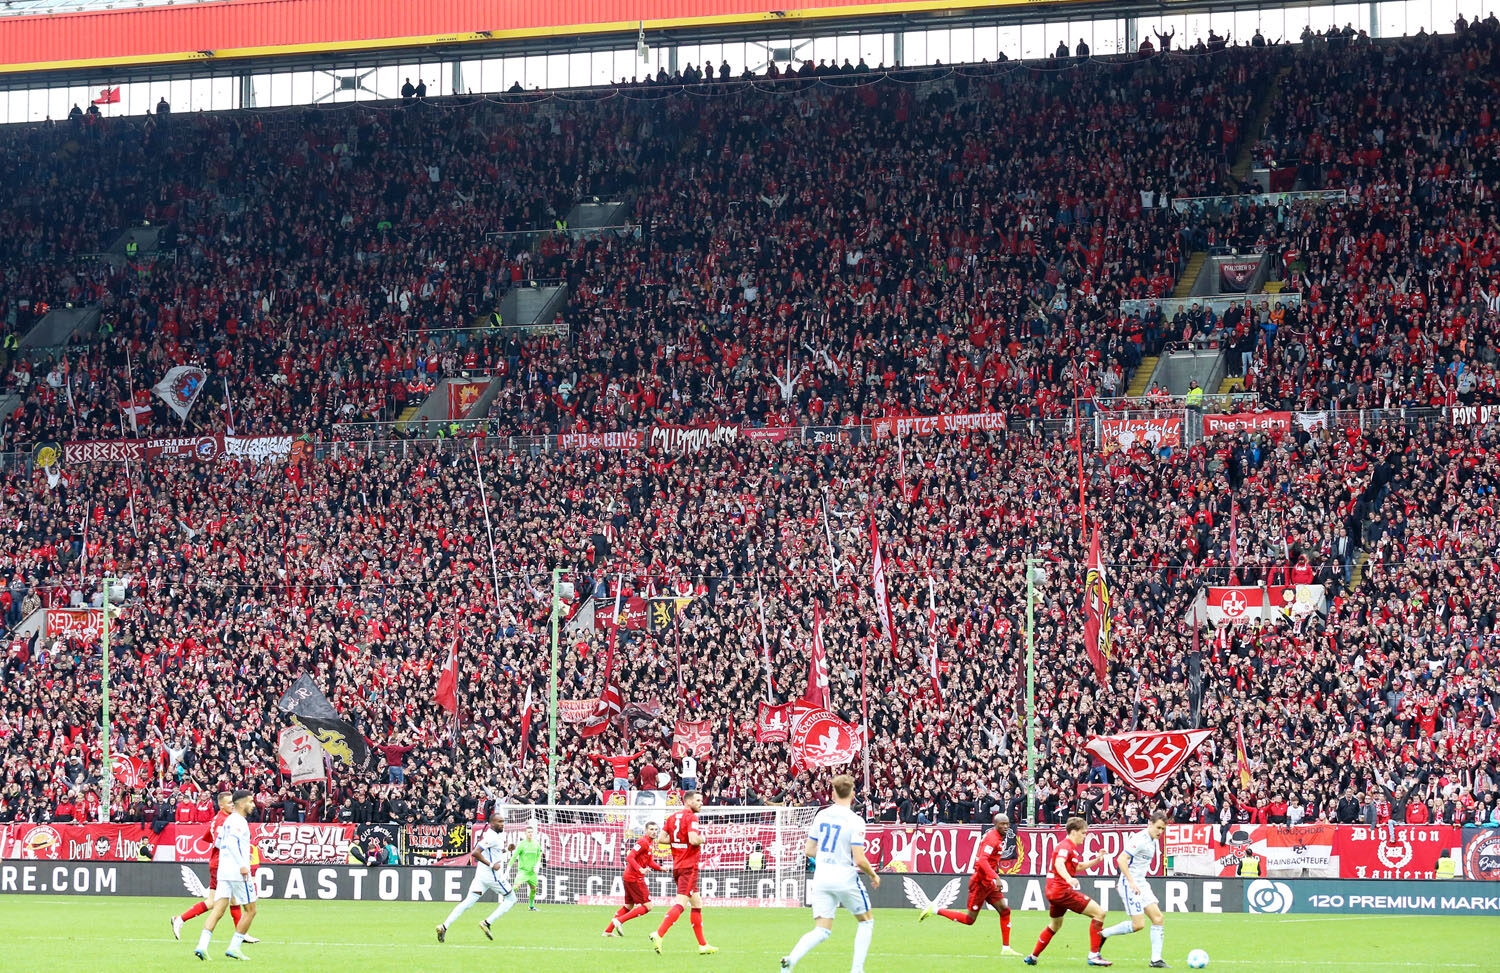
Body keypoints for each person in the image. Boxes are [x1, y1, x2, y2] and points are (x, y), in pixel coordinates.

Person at [781, 774, 879, 972]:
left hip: (822, 878)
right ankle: (857, 970)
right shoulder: (855, 820)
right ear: (852, 794)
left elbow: (809, 850)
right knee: (866, 922)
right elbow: (859, 859)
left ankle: (791, 959)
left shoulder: (821, 815)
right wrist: (873, 875)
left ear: (833, 793)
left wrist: (827, 855)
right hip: (844, 877)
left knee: (822, 930)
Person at [919, 811, 1017, 954]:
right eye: (1002, 824)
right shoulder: (992, 839)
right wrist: (996, 877)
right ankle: (934, 909)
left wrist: (993, 878)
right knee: (969, 919)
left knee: (1005, 910)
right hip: (980, 883)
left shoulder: (998, 838)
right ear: (995, 825)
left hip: (988, 883)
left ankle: (1006, 948)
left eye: (1007, 824)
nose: (1006, 826)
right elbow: (982, 860)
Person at [1025, 816, 1113, 966]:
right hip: (1061, 891)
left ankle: (1032, 957)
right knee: (1099, 913)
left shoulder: (1068, 847)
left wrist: (1097, 859)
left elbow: (1077, 867)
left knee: (1055, 925)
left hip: (1053, 891)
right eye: (1083, 833)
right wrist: (1068, 879)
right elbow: (1059, 863)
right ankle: (1093, 956)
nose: (1085, 836)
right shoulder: (1066, 847)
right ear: (1074, 832)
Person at [173, 792, 252, 942]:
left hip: (221, 862)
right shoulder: (223, 820)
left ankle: (241, 934)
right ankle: (240, 934)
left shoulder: (219, 818)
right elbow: (217, 842)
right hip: (221, 864)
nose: (232, 805)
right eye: (229, 803)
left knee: (224, 900)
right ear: (221, 805)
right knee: (222, 901)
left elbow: (208, 837)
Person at [193, 789, 257, 961]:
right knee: (251, 911)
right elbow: (233, 842)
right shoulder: (239, 821)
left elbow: (220, 842)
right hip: (237, 873)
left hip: (223, 871)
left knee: (218, 909)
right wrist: (243, 863)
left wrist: (242, 853)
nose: (253, 805)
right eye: (250, 802)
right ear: (242, 804)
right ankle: (234, 947)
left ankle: (202, 945)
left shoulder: (228, 820)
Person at [1100, 811, 1169, 967]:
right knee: (1138, 925)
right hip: (1129, 883)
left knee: (1158, 918)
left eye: (1163, 829)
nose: (1160, 832)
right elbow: (1121, 859)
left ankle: (1156, 960)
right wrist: (1131, 882)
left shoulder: (1153, 840)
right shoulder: (1140, 839)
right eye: (1158, 827)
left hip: (1141, 883)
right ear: (1150, 824)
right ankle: (1104, 934)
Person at [651, 791, 717, 954]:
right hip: (689, 867)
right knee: (681, 903)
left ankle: (703, 945)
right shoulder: (692, 817)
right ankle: (659, 933)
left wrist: (678, 841)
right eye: (698, 800)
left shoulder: (672, 817)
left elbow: (661, 839)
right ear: (688, 802)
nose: (701, 803)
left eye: (702, 800)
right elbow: (694, 839)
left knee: (697, 904)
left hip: (678, 865)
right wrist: (703, 838)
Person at [436, 811, 517, 942]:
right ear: (492, 824)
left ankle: (444, 926)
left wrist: (507, 849)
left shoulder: (495, 836)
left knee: (468, 902)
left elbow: (494, 851)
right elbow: (475, 853)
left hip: (481, 876)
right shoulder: (492, 837)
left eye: (503, 822)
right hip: (492, 876)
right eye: (499, 822)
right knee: (511, 899)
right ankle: (487, 922)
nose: (502, 824)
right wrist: (491, 865)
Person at [604, 821, 665, 936]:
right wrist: (640, 869)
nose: (654, 832)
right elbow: (629, 856)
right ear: (646, 830)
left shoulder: (650, 843)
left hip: (629, 876)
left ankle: (607, 931)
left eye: (656, 829)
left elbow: (649, 861)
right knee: (648, 906)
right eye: (651, 829)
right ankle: (619, 921)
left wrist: (661, 868)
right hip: (635, 877)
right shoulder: (643, 842)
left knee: (628, 906)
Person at [513, 823, 544, 910]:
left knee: (534, 889)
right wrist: (508, 869)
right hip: (523, 871)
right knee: (516, 887)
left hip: (532, 872)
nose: (530, 834)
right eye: (528, 832)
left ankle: (531, 906)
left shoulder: (536, 844)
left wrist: (538, 865)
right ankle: (507, 901)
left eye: (531, 832)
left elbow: (539, 855)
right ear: (525, 833)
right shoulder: (522, 844)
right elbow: (514, 857)